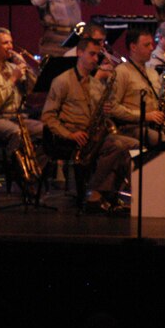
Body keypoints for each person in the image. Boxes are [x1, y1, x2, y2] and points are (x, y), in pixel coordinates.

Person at [41, 37, 135, 214]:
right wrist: (70, 134)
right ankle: (94, 194)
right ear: (79, 53)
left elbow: (101, 113)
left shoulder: (96, 84)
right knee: (118, 146)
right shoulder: (62, 81)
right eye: (92, 54)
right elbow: (48, 117)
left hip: (93, 135)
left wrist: (107, 110)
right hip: (71, 137)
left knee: (134, 144)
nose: (95, 59)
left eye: (97, 55)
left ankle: (107, 194)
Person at [0, 27, 45, 155]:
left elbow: (33, 91)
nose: (10, 46)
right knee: (17, 133)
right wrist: (13, 78)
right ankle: (13, 170)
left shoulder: (13, 67)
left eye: (11, 42)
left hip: (17, 117)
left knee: (47, 131)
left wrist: (26, 67)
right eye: (5, 43)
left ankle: (34, 170)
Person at [110, 27, 165, 146]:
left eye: (151, 44)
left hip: (154, 125)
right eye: (146, 45)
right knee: (164, 141)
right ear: (133, 47)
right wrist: (144, 116)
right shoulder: (122, 72)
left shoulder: (152, 72)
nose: (152, 48)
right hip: (132, 127)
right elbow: (113, 108)